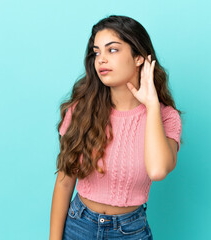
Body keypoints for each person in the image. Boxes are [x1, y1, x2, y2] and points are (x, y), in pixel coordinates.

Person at [49, 15, 183, 240]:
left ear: (139, 57)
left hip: (130, 231)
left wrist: (151, 106)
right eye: (97, 52)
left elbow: (158, 170)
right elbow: (64, 182)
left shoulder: (166, 117)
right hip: (79, 225)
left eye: (112, 50)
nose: (101, 59)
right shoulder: (81, 110)